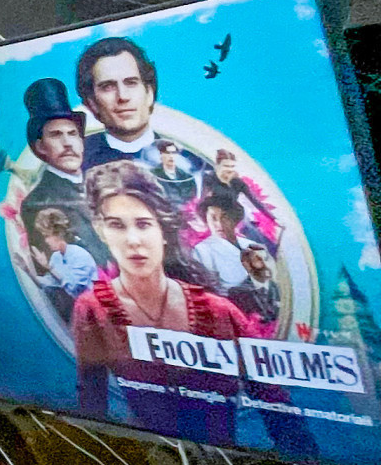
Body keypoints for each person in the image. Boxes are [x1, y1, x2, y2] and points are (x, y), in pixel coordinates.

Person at [71, 162, 286, 447]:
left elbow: (281, 413)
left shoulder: (218, 312)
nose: (133, 241)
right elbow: (92, 409)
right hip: (147, 463)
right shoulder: (92, 309)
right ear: (100, 230)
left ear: (162, 228)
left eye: (143, 224)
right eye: (116, 225)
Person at [16, 75, 110, 265]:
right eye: (56, 135)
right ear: (41, 146)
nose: (67, 143)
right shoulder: (37, 204)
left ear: (81, 142)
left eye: (72, 134)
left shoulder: (104, 182)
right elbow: (52, 271)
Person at [75, 36, 165, 170]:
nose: (123, 96)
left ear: (149, 93)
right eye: (108, 87)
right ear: (91, 102)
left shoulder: (187, 165)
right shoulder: (74, 164)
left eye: (131, 83)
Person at [27, 205, 98, 322]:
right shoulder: (56, 258)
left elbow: (74, 287)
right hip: (79, 312)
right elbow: (48, 283)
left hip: (95, 312)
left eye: (47, 236)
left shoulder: (79, 254)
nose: (46, 241)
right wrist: (26, 270)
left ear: (58, 234)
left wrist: (49, 268)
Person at [191, 192, 253, 292]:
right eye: (213, 218)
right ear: (206, 219)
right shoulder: (202, 250)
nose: (219, 224)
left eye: (225, 218)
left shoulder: (250, 245)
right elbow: (210, 287)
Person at [229, 244, 282, 331]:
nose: (266, 264)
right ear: (246, 265)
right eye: (259, 260)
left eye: (267, 259)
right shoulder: (238, 293)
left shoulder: (278, 289)